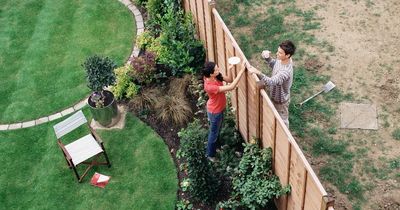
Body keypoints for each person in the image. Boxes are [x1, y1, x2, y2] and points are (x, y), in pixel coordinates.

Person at [203, 61, 246, 162]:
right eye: (216, 69)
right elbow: (231, 87)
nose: (218, 70)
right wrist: (242, 71)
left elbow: (230, 80)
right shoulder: (209, 86)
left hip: (219, 108)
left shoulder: (216, 76)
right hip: (215, 112)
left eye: (217, 68)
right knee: (213, 133)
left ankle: (216, 147)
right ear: (210, 73)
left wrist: (230, 69)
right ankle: (210, 155)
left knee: (217, 131)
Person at [248, 40, 296, 128]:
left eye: (280, 53)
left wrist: (258, 72)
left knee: (283, 121)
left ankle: (285, 138)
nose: (277, 54)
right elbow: (275, 64)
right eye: (278, 51)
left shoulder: (285, 72)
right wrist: (268, 58)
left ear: (288, 55)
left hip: (281, 101)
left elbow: (271, 82)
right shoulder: (282, 59)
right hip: (275, 96)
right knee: (274, 116)